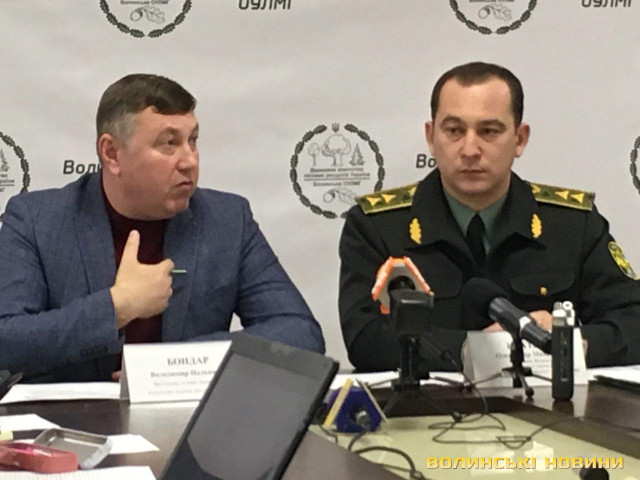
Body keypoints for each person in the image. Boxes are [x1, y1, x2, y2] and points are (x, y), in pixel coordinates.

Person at [0, 73, 324, 381]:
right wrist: (117, 307)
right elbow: (6, 342)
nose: (189, 160)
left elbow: (300, 333)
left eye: (192, 141)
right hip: (72, 418)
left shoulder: (227, 220)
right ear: (111, 154)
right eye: (169, 143)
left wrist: (173, 365)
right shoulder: (37, 220)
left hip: (188, 417)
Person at [339, 62, 640, 372]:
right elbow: (365, 338)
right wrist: (478, 350)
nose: (470, 149)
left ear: (520, 139)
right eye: (454, 131)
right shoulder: (376, 226)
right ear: (430, 137)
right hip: (427, 402)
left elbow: (633, 320)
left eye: (489, 131)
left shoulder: (572, 224)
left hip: (548, 400)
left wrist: (569, 344)